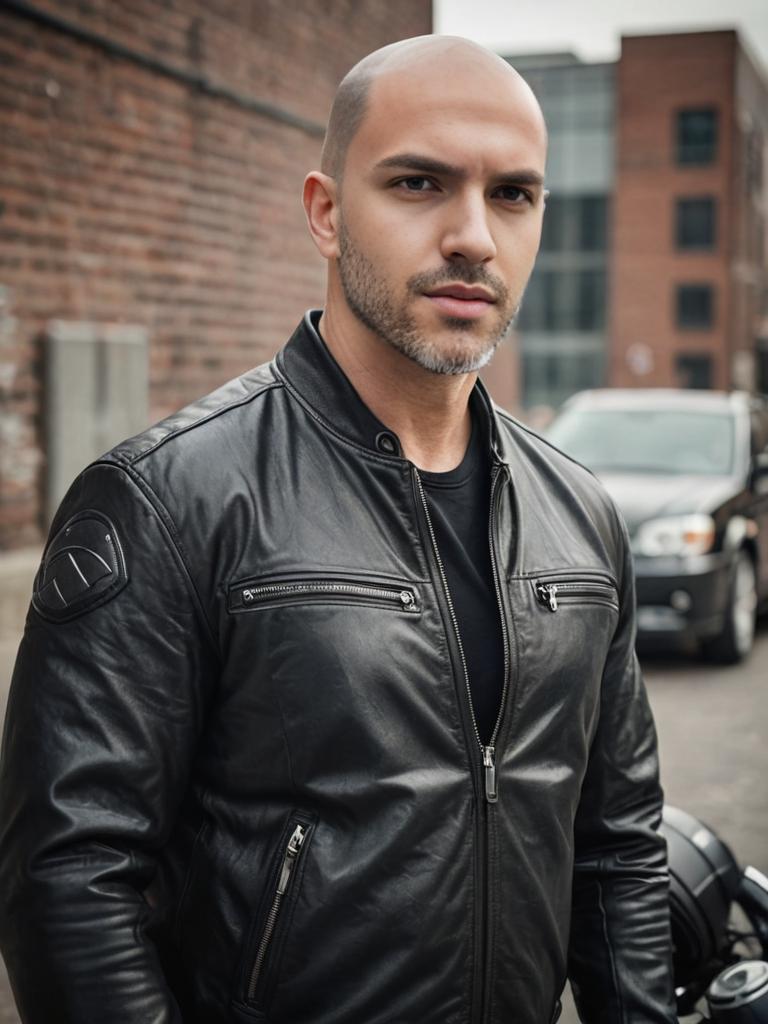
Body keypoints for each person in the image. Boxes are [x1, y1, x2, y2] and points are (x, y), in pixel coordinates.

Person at [0, 35, 676, 1024]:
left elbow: (620, 844)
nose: (473, 237)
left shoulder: (580, 514)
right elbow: (70, 879)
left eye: (513, 195)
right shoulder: (166, 498)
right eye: (418, 183)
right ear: (326, 211)